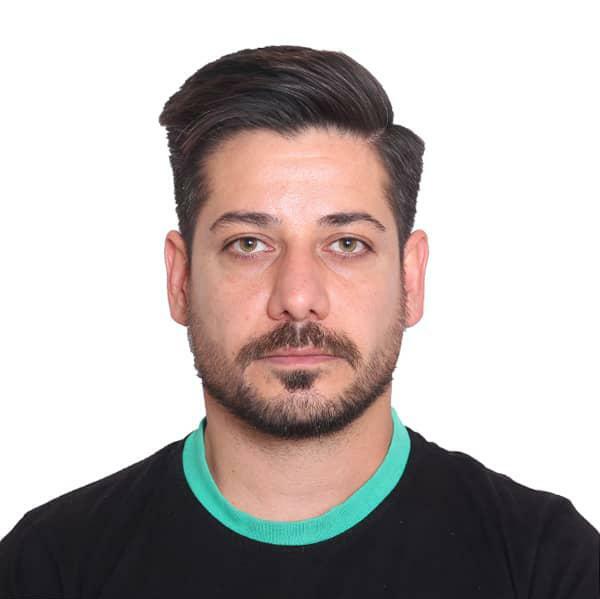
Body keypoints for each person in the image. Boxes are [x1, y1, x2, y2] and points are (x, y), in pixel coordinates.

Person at [0, 45, 597, 598]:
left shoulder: (547, 565)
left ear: (411, 279)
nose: (298, 297)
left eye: (347, 243)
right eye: (249, 243)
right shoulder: (50, 568)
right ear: (180, 278)